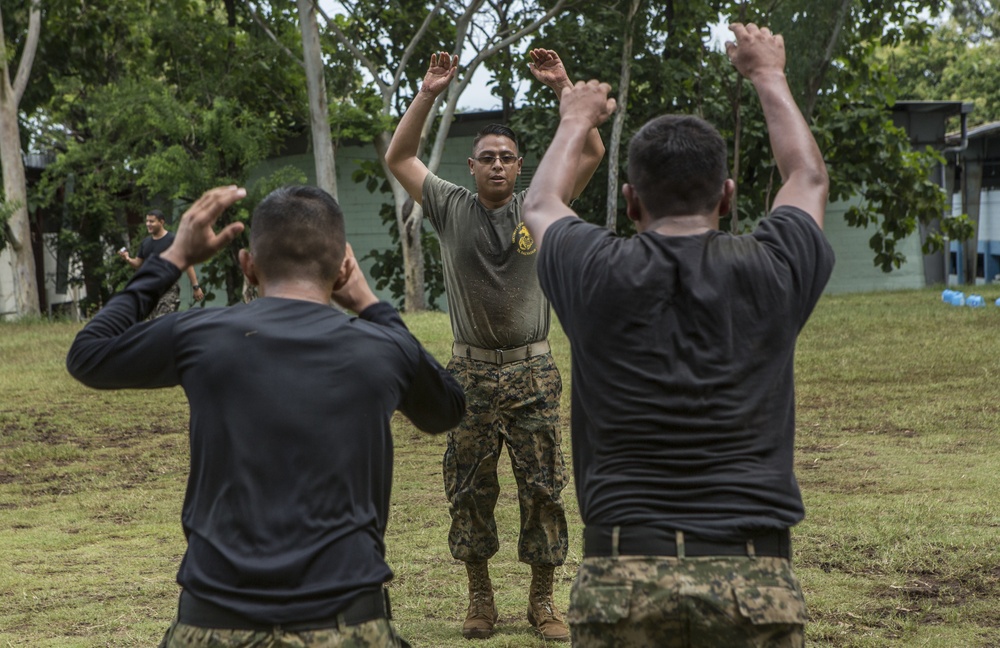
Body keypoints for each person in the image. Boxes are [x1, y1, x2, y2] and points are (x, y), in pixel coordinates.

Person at [522, 23, 834, 647]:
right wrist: (767, 74)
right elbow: (807, 178)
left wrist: (575, 117)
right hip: (754, 577)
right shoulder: (772, 269)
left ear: (632, 202)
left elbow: (540, 207)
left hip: (621, 574)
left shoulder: (594, 271)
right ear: (726, 196)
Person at [68, 185, 466, 648]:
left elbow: (88, 355)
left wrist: (172, 259)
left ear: (248, 265)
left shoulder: (201, 335)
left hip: (213, 619)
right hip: (348, 622)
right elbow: (447, 410)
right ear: (342, 269)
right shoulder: (383, 347)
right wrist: (374, 307)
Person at [384, 48, 605, 642]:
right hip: (470, 377)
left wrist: (562, 84)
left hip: (533, 374)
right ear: (471, 165)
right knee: (469, 491)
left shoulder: (541, 206)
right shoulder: (450, 206)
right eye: (488, 158)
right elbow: (399, 156)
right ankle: (480, 598)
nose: (499, 166)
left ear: (521, 165)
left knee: (542, 491)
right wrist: (429, 92)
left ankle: (543, 602)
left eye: (508, 157)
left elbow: (590, 151)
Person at [118, 208, 205, 317]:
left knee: (163, 320)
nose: (148, 224)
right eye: (147, 221)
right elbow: (138, 264)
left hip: (168, 288)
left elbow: (187, 264)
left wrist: (195, 287)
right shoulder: (146, 243)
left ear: (161, 222)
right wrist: (128, 259)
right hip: (150, 288)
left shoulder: (173, 240)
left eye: (152, 221)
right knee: (153, 325)